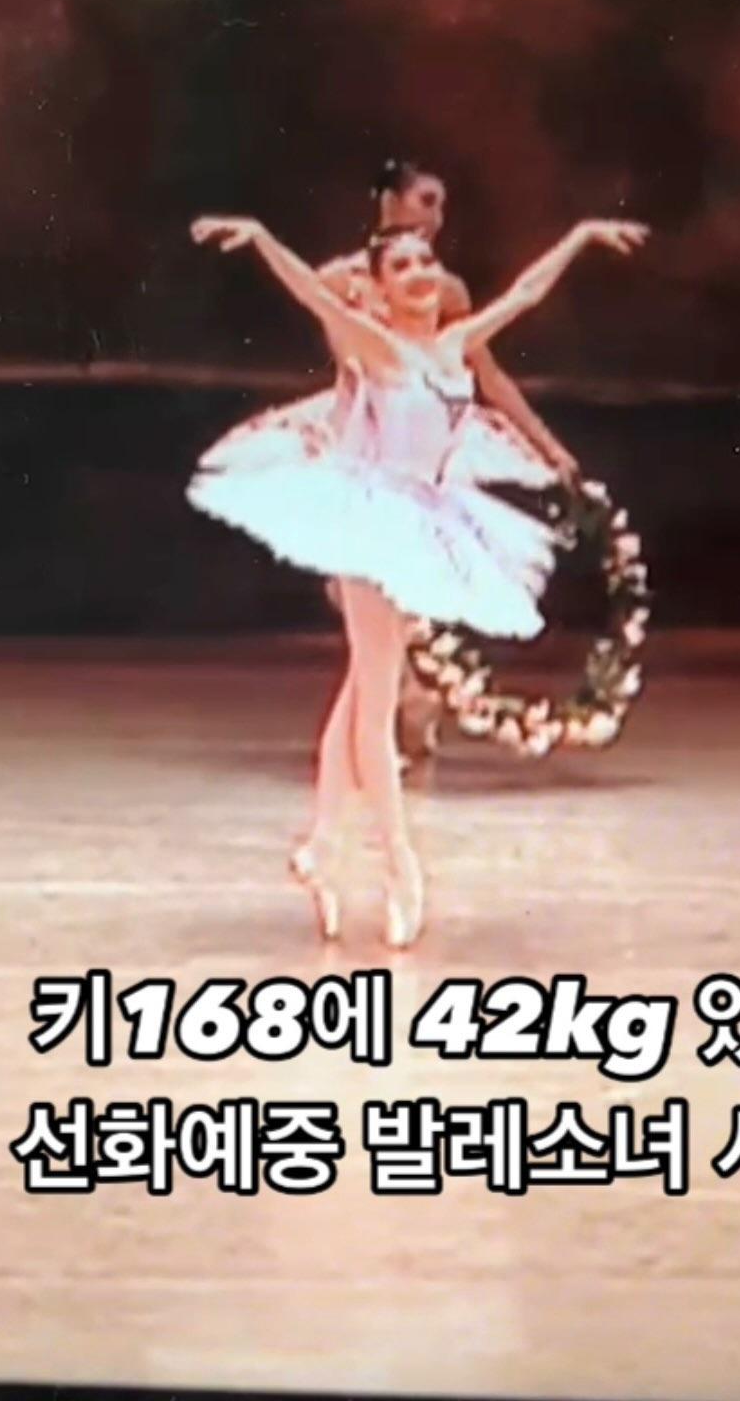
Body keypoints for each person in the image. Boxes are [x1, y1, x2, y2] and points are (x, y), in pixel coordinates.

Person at [187, 212, 648, 949]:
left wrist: (582, 235)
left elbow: (525, 293)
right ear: (380, 287)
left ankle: (324, 845)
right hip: (373, 518)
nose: (420, 273)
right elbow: (315, 295)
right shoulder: (378, 349)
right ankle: (400, 864)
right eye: (401, 266)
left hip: (432, 520)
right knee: (375, 702)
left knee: (361, 686)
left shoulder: (455, 346)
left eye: (425, 261)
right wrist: (265, 238)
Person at [192, 158, 580, 764]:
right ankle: (390, 712)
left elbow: (488, 365)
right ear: (389, 203)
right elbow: (346, 352)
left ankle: (394, 708)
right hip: (367, 430)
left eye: (441, 205)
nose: (437, 217)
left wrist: (546, 443)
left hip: (426, 424)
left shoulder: (444, 292)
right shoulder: (344, 280)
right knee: (357, 591)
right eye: (426, 201)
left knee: (400, 594)